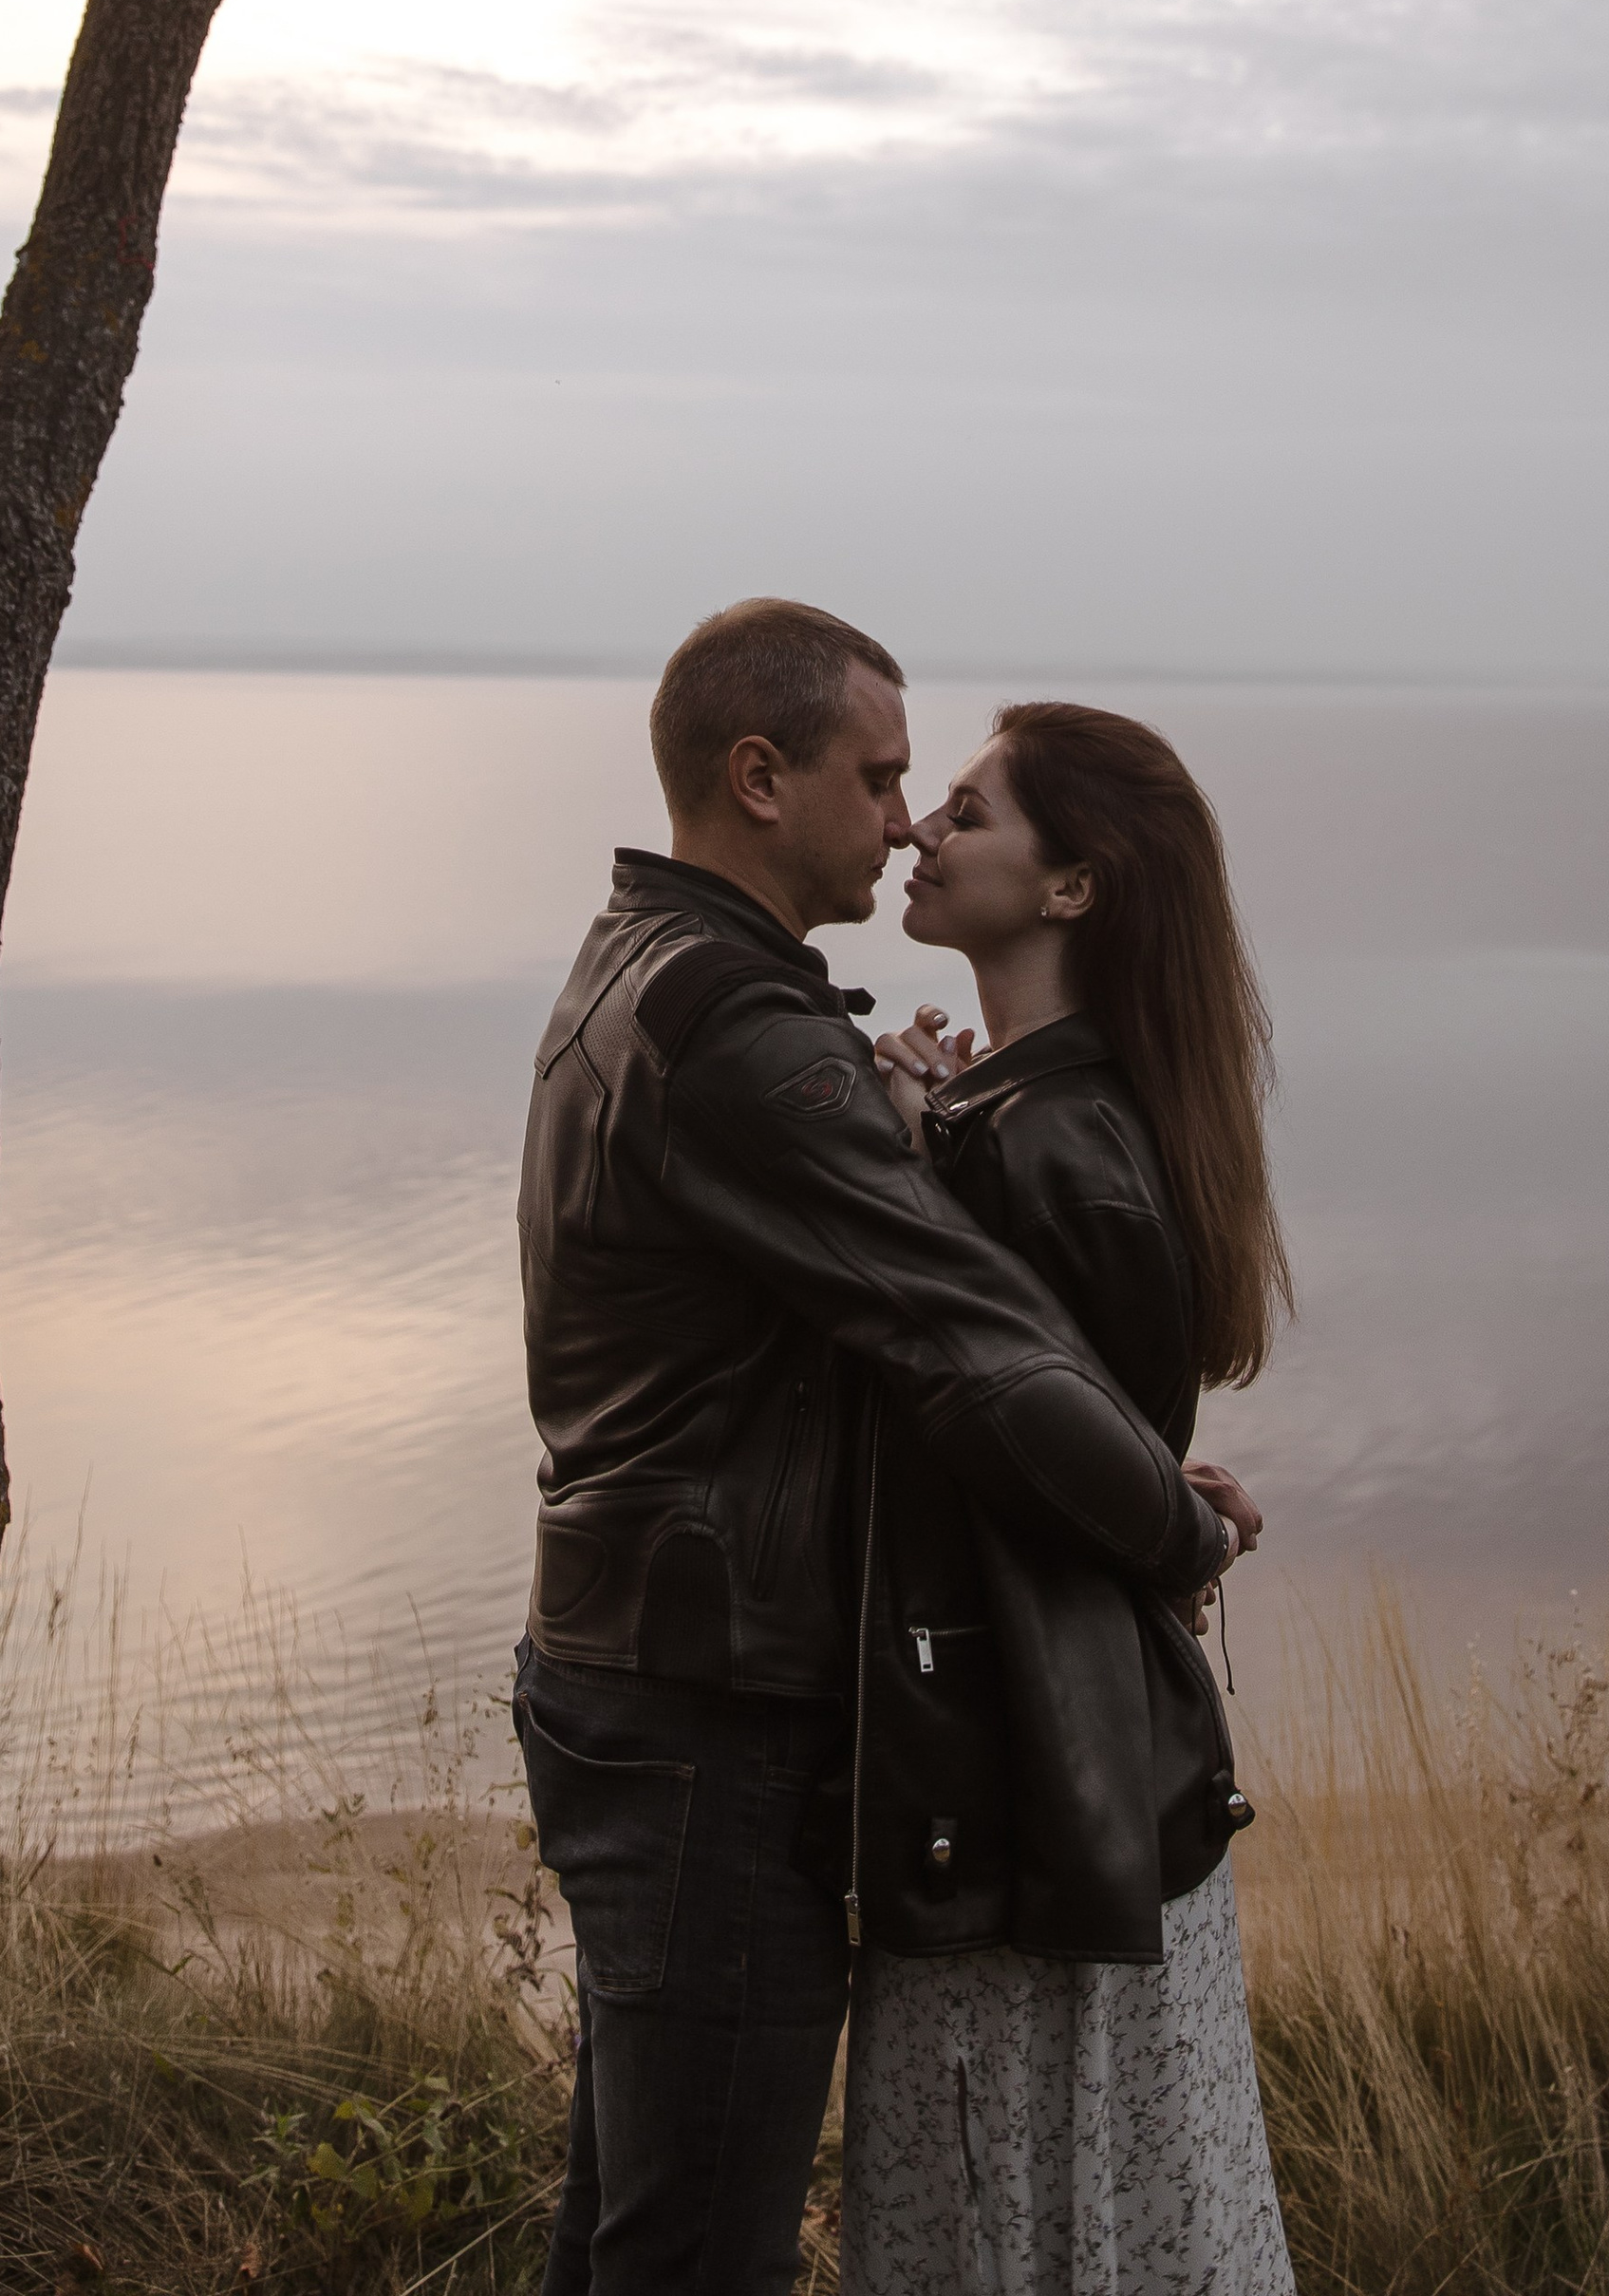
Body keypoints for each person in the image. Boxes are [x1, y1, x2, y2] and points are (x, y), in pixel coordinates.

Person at [513, 605, 1237, 2296]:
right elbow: (974, 1340)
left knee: (630, 2226)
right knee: (694, 2253)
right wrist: (1174, 1534)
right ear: (761, 777)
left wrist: (900, 1103)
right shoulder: (744, 1031)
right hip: (710, 1714)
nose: (906, 818)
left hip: (645, 1678)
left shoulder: (656, 963)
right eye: (885, 774)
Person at [840, 701, 1295, 2296]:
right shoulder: (1025, 1121)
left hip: (1032, 1795)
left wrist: (914, 1167)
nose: (917, 830)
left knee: (1023, 2221)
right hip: (1053, 1779)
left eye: (965, 811)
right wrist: (925, 1140)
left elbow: (1044, 1458)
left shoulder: (1056, 1148)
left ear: (1073, 888)